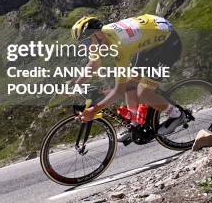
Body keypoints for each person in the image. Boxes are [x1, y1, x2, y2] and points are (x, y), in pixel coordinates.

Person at [71, 14, 185, 143]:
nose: (85, 46)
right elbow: (94, 64)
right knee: (130, 86)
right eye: (82, 43)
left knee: (143, 92)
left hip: (168, 44)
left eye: (86, 41)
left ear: (98, 34)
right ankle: (135, 124)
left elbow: (118, 92)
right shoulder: (99, 38)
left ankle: (176, 115)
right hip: (150, 38)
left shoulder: (119, 45)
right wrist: (75, 84)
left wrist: (94, 110)